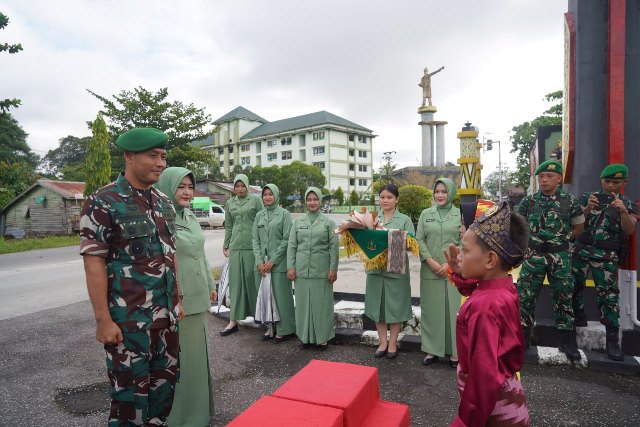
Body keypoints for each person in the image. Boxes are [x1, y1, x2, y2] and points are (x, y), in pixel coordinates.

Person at [79, 128, 182, 426]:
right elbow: (93, 262)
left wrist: (179, 300)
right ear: (129, 156)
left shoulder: (163, 202)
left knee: (164, 395)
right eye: (153, 156)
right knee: (129, 403)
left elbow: (170, 256)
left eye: (163, 157)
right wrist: (103, 320)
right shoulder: (104, 200)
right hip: (128, 324)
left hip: (166, 321)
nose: (161, 163)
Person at [444, 202, 531, 427]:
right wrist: (460, 272)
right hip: (505, 396)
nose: (460, 255)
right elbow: (478, 292)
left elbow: (484, 377)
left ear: (490, 260)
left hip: (492, 409)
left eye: (465, 250)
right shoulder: (503, 287)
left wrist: (464, 421)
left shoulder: (485, 308)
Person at [156, 167, 216, 426]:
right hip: (178, 302)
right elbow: (160, 263)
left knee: (196, 361)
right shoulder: (162, 218)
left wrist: (211, 284)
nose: (187, 192)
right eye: (181, 186)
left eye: (190, 187)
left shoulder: (190, 216)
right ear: (168, 186)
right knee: (180, 364)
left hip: (198, 296)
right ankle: (181, 419)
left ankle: (199, 413)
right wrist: (174, 298)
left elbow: (200, 254)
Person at [516, 159, 585, 361]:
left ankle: (567, 342)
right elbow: (518, 226)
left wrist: (563, 239)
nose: (545, 180)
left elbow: (578, 227)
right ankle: (522, 339)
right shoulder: (528, 202)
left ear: (558, 179)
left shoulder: (569, 200)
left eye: (549, 176)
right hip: (534, 255)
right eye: (542, 177)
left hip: (560, 256)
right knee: (525, 297)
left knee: (564, 296)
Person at [571, 164, 638, 361]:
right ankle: (578, 317)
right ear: (601, 181)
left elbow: (629, 230)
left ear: (624, 183)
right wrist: (588, 209)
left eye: (615, 182)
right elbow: (574, 225)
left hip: (606, 255)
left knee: (608, 297)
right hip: (581, 250)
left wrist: (624, 212)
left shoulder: (626, 203)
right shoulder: (587, 198)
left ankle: (612, 341)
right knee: (573, 287)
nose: (610, 186)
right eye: (606, 181)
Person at [364, 184, 415, 360]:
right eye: (382, 197)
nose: (385, 200)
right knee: (378, 306)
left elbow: (411, 243)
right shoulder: (371, 217)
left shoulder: (405, 219)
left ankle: (392, 343)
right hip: (374, 268)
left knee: (395, 307)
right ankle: (382, 342)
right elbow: (363, 239)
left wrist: (395, 238)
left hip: (395, 267)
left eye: (389, 197)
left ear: (397, 199)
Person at [416, 178, 461, 367]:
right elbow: (419, 240)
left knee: (454, 312)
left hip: (455, 272)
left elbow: (464, 242)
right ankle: (432, 350)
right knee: (432, 312)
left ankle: (454, 353)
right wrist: (431, 261)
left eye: (444, 191)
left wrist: (449, 265)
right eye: (437, 191)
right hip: (430, 270)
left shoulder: (460, 215)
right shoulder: (426, 214)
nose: (440, 195)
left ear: (450, 193)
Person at [287, 187, 339, 349]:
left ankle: (322, 338)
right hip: (301, 270)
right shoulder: (298, 222)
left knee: (321, 306)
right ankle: (305, 337)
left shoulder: (329, 223)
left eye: (315, 199)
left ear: (320, 201)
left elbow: (334, 248)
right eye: (309, 200)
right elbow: (292, 246)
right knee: (303, 305)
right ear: (305, 202)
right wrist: (291, 267)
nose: (312, 202)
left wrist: (333, 269)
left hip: (321, 270)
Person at [252, 184, 296, 342]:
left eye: (271, 194)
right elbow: (255, 240)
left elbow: (287, 240)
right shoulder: (259, 216)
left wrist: (273, 260)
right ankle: (270, 327)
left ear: (276, 196)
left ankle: (284, 329)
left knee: (281, 297)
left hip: (279, 264)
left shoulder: (284, 214)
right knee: (264, 296)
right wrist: (258, 261)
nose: (268, 197)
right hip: (262, 265)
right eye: (265, 194)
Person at [221, 174, 263, 336]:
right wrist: (226, 244)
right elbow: (229, 226)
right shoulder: (230, 203)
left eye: (242, 186)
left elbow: (261, 223)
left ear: (246, 185)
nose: (239, 189)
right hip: (236, 247)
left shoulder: (255, 201)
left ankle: (258, 314)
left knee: (253, 280)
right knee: (236, 283)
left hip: (253, 247)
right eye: (236, 186)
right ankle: (233, 321)